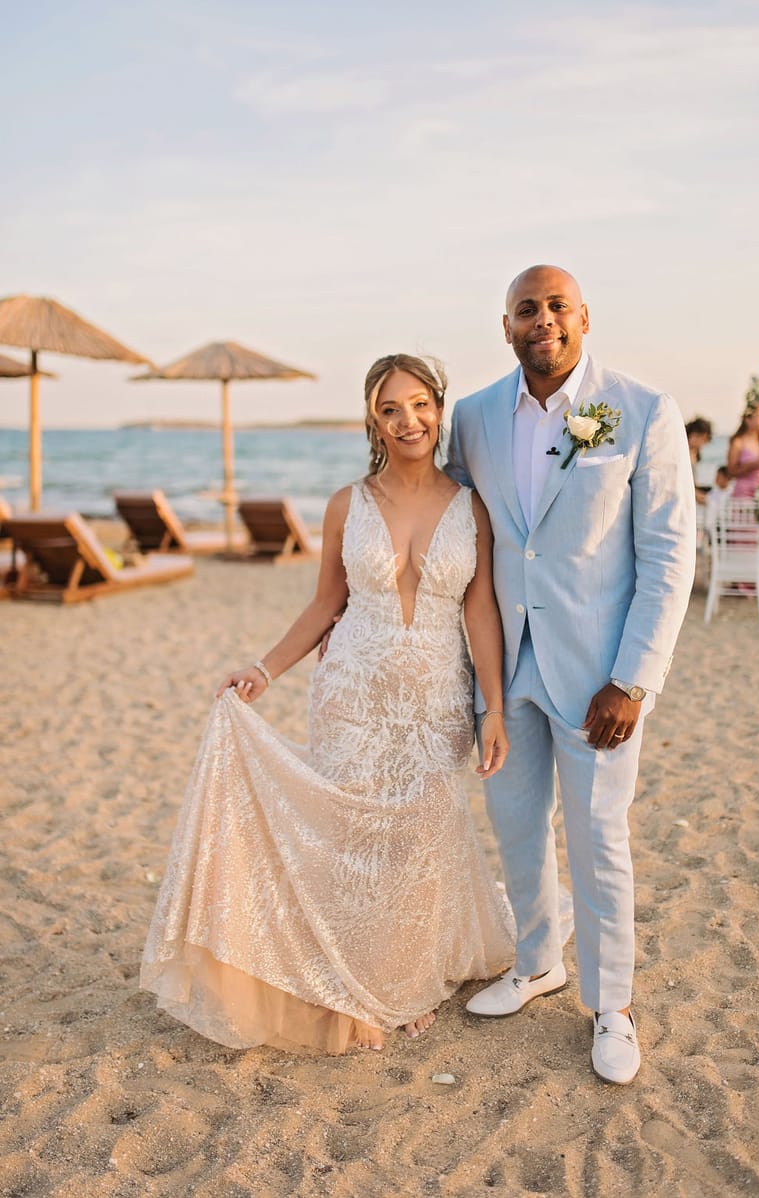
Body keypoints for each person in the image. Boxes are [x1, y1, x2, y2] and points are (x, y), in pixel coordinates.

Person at [140, 353, 516, 1054]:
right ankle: (353, 982)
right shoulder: (347, 503)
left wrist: (492, 707)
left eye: (420, 405)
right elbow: (325, 604)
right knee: (352, 839)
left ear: (440, 408)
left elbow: (482, 612)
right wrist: (263, 669)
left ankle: (402, 974)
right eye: (390, 409)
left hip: (435, 698)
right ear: (373, 421)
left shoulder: (472, 508)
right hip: (352, 691)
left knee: (417, 839)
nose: (409, 421)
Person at [446, 265, 695, 1085]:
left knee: (598, 843)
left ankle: (613, 1005)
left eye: (557, 306)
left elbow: (667, 555)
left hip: (599, 680)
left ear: (584, 317)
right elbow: (458, 531)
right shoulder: (475, 417)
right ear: (506, 325)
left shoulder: (640, 410)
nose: (542, 320)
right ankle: (535, 962)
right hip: (503, 669)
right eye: (527, 309)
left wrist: (634, 680)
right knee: (516, 831)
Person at [727, 404, 759, 498]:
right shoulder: (738, 442)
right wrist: (752, 465)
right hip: (744, 494)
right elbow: (731, 471)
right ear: (747, 420)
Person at [685, 417, 713, 505]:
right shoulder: (683, 452)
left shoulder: (694, 453)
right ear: (695, 435)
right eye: (703, 439)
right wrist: (696, 493)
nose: (703, 444)